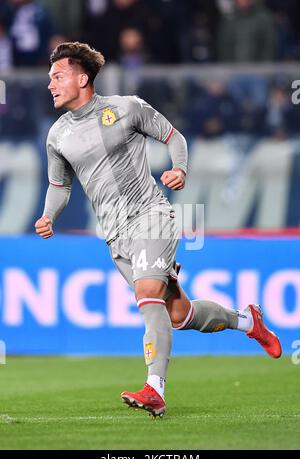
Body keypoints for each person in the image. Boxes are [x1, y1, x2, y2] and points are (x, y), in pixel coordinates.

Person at [35, 42, 282, 418]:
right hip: (115, 234)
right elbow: (60, 186)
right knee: (179, 315)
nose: (50, 84)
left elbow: (174, 137)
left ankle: (155, 389)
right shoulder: (56, 136)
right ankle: (248, 320)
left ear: (82, 78)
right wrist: (49, 214)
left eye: (58, 76)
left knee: (147, 293)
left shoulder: (126, 108)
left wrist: (180, 169)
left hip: (151, 215)